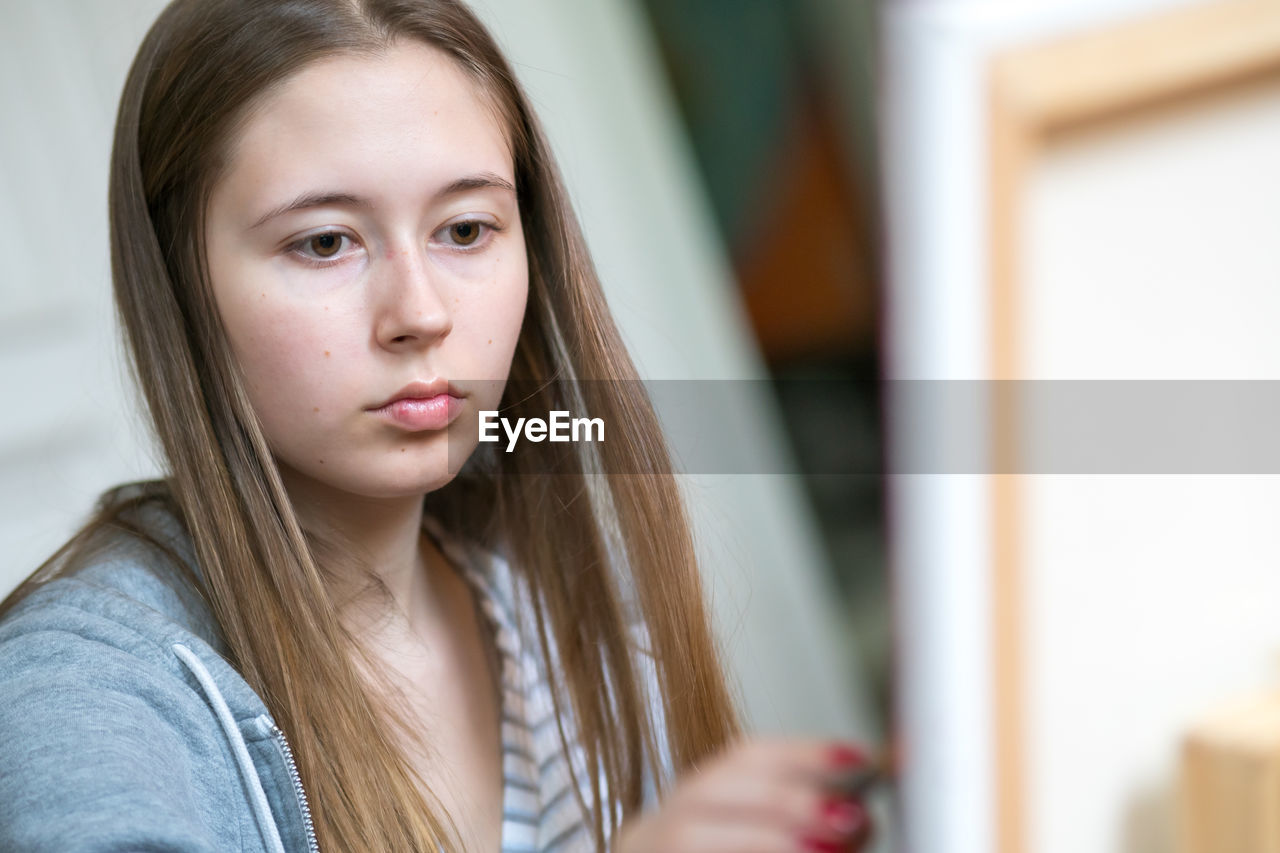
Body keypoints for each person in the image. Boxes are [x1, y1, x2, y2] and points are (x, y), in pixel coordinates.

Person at [0, 1, 874, 851]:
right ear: (179, 285)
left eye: (464, 228)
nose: (419, 313)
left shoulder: (547, 611)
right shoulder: (79, 692)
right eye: (324, 243)